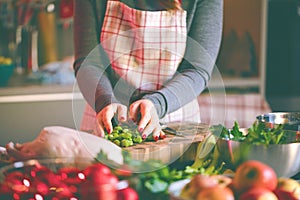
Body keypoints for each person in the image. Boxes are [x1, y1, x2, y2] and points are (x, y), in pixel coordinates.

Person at [73, 0, 223, 141]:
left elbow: (196, 69)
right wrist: (104, 100)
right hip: (107, 116)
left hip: (175, 116)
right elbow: (89, 62)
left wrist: (158, 103)